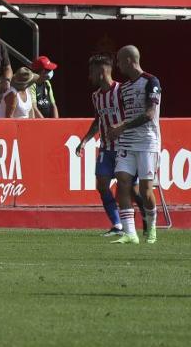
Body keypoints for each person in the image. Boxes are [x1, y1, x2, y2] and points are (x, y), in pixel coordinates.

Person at [106, 45, 161, 245]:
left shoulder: (151, 81)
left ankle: (152, 226)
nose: (118, 66)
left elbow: (149, 114)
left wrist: (122, 126)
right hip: (127, 142)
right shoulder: (125, 87)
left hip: (147, 142)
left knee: (146, 190)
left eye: (119, 61)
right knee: (122, 182)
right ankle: (130, 233)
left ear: (129, 60)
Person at [76, 53, 128, 236]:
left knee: (127, 190)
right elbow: (98, 120)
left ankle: (138, 223)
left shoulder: (122, 91)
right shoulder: (96, 96)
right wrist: (84, 141)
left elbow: (132, 117)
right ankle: (117, 226)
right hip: (106, 148)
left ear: (102, 70)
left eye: (91, 71)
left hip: (125, 149)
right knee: (102, 185)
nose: (89, 75)